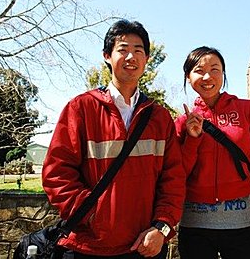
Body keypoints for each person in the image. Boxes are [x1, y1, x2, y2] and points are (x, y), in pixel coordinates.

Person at [42, 19, 186, 259]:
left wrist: (161, 228)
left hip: (145, 246)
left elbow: (173, 180)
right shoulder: (81, 109)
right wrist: (94, 216)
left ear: (147, 59)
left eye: (138, 51)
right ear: (107, 56)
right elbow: (56, 175)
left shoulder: (159, 117)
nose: (131, 57)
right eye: (123, 49)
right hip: (88, 248)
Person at [174, 46, 250, 259]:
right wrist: (192, 140)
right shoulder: (182, 122)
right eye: (199, 70)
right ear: (188, 77)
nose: (208, 76)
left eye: (215, 69)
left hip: (241, 225)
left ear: (223, 74)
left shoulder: (248, 110)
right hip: (195, 226)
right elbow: (177, 175)